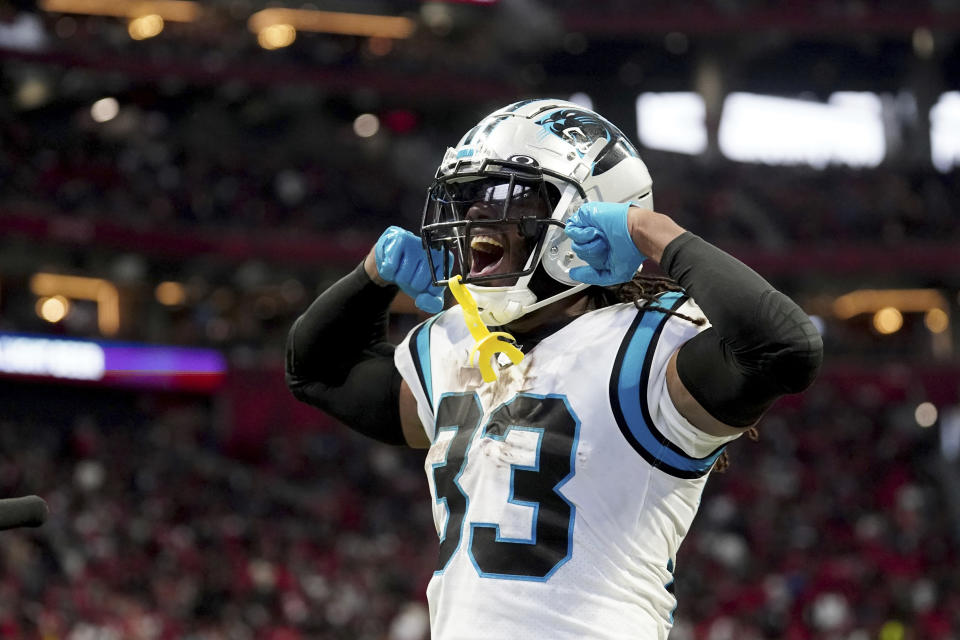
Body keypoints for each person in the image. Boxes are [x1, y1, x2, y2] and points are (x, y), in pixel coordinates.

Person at [286, 99, 823, 639]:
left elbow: (785, 347)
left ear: (587, 212)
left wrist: (648, 230)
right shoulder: (455, 347)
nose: (475, 213)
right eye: (471, 196)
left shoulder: (646, 348)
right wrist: (372, 277)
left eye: (509, 195)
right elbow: (315, 372)